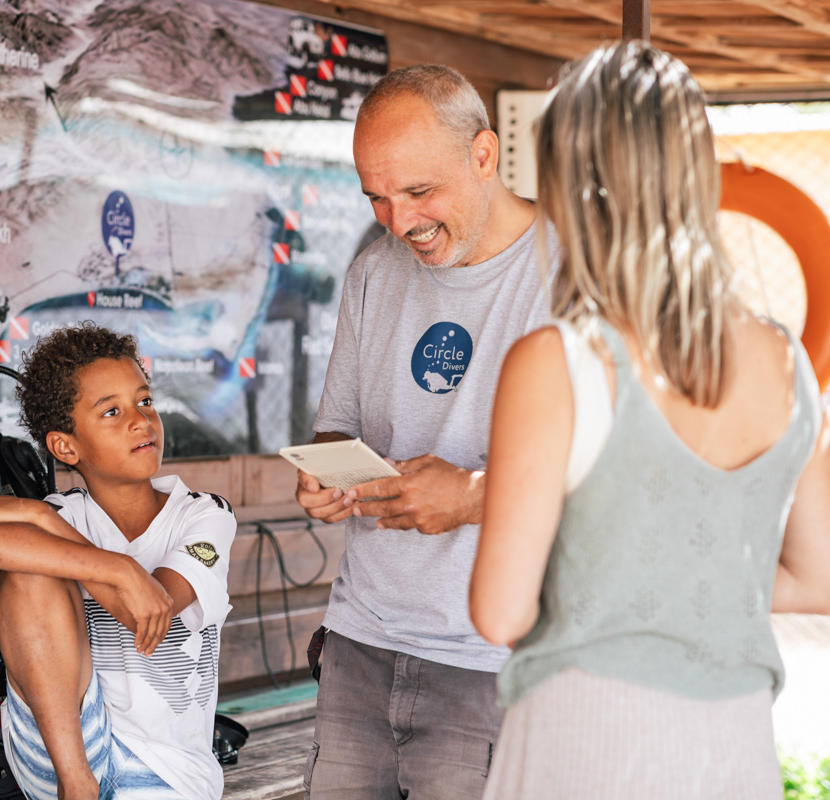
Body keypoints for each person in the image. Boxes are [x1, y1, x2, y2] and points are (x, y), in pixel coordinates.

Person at [469, 41, 830, 799]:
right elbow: (819, 577)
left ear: (571, 185)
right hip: (736, 746)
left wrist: (613, 581)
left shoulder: (558, 360)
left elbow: (500, 611)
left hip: (586, 740)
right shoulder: (786, 361)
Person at [296, 64, 557, 798]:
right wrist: (325, 474)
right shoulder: (373, 273)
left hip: (499, 657)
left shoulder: (574, 274)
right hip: (359, 640)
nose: (398, 221)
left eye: (418, 191)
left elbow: (622, 475)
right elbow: (337, 428)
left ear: (484, 155)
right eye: (376, 198)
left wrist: (474, 496)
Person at [0, 323, 237, 800]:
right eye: (112, 411)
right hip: (60, 751)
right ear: (66, 447)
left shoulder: (203, 514)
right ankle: (78, 786)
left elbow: (146, 609)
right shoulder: (64, 512)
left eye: (144, 401)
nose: (141, 420)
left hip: (167, 768)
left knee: (43, 552)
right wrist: (114, 566)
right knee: (29, 567)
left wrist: (44, 521)